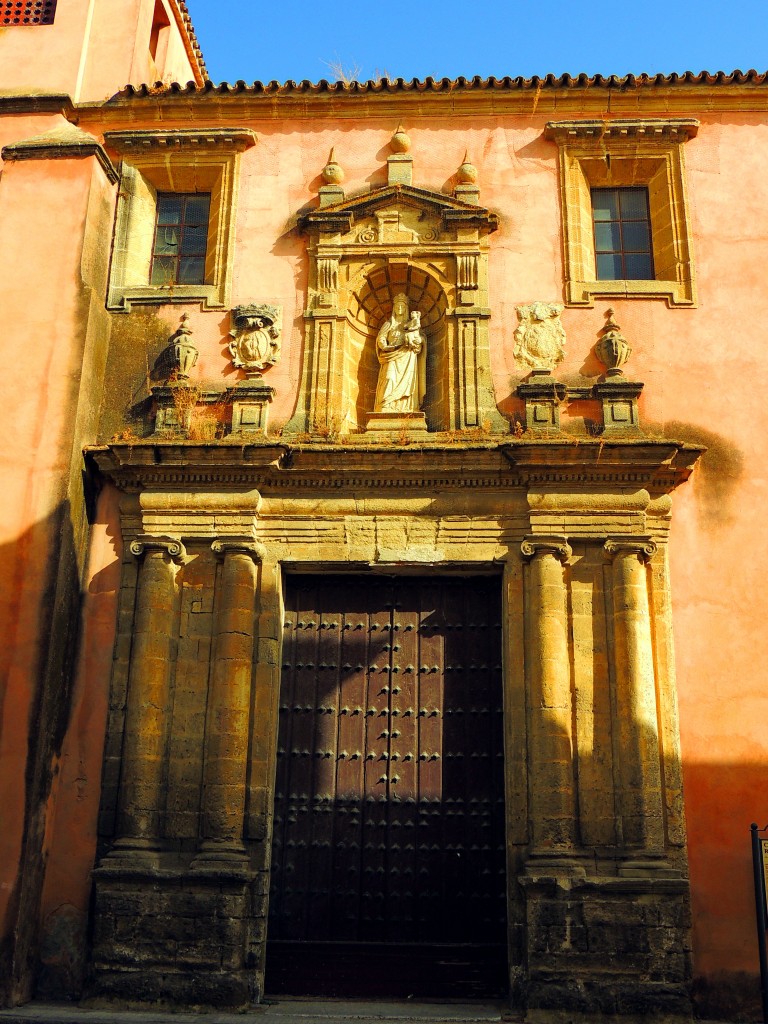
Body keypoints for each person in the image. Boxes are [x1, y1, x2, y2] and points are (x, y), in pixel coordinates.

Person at [374, 294, 426, 413]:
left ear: (406, 309)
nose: (400, 309)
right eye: (397, 307)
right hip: (391, 354)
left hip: (408, 355)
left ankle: (408, 407)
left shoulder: (412, 323)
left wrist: (420, 341)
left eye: (402, 307)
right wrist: (384, 346)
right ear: (394, 308)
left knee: (408, 382)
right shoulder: (389, 324)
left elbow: (420, 337)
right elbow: (381, 337)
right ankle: (386, 405)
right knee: (389, 377)